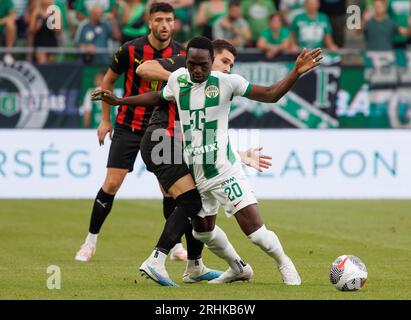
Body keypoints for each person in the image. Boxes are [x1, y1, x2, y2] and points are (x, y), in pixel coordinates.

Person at [93, 36, 323, 286]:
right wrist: (119, 102)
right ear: (186, 62)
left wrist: (295, 72)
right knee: (202, 232)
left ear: (211, 62)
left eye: (203, 64)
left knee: (256, 234)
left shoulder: (227, 82)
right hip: (198, 174)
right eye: (192, 64)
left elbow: (270, 94)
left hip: (225, 172)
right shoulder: (177, 79)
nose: (198, 70)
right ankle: (237, 268)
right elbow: (159, 97)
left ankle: (284, 262)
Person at [136, 39, 272, 286]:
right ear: (211, 56)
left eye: (231, 64)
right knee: (190, 200)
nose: (227, 69)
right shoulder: (186, 69)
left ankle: (194, 265)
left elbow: (207, 137)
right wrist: (180, 80)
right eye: (225, 62)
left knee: (194, 200)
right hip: (163, 139)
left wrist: (239, 155)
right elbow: (143, 69)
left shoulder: (214, 84)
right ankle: (157, 259)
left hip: (178, 146)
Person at [74, 2, 188, 263]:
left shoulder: (181, 53)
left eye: (169, 20)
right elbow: (108, 82)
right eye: (159, 20)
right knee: (112, 183)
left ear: (174, 23)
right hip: (129, 125)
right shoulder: (130, 49)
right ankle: (89, 242)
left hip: (163, 128)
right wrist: (105, 120)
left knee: (168, 189)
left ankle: (177, 246)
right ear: (149, 22)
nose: (164, 25)